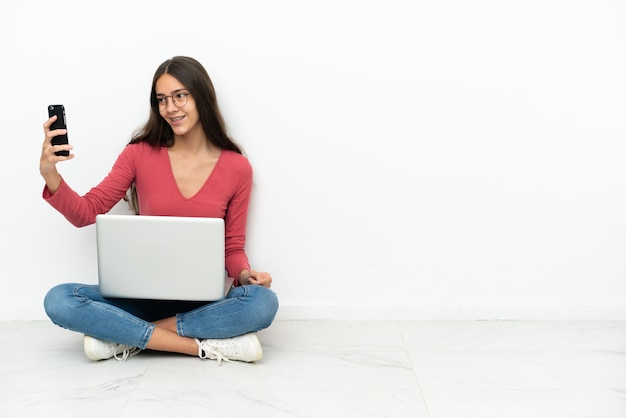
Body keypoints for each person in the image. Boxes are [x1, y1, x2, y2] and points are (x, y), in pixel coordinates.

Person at [39, 56, 279, 364]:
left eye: (180, 96)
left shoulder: (237, 167)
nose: (170, 108)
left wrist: (246, 276)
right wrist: (50, 174)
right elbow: (87, 211)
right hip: (140, 299)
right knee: (59, 300)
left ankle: (125, 337)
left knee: (262, 303)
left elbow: (232, 248)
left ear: (201, 96)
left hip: (203, 305)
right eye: (162, 100)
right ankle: (203, 346)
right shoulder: (138, 155)